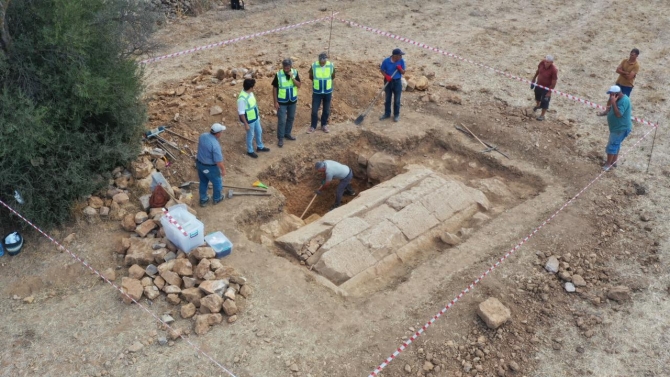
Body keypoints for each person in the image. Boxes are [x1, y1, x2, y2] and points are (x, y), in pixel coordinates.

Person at [597, 85, 632, 171]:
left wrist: (613, 102)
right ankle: (613, 162)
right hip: (617, 128)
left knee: (612, 145)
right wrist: (606, 111)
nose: (610, 96)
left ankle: (608, 165)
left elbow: (619, 114)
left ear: (616, 94)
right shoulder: (618, 100)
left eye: (611, 94)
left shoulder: (624, 101)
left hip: (620, 128)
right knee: (616, 144)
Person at [272, 59, 301, 147]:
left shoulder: (295, 73)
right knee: (281, 120)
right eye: (285, 67)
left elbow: (299, 85)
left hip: (292, 100)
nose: (286, 69)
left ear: (291, 66)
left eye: (288, 67)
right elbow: (274, 88)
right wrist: (275, 101)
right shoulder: (278, 74)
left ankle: (287, 133)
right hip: (282, 101)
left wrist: (292, 77)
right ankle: (280, 137)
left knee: (291, 118)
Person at [196, 123, 227, 206]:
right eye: (221, 132)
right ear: (217, 133)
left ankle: (203, 199)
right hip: (210, 167)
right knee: (217, 182)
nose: (221, 134)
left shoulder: (203, 136)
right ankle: (217, 198)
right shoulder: (215, 145)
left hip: (199, 164)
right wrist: (223, 170)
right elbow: (218, 161)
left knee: (203, 181)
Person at [238, 78, 270, 158]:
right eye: (253, 86)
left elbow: (253, 105)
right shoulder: (242, 99)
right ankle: (250, 150)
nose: (254, 88)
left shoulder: (250, 93)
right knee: (250, 135)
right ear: (250, 87)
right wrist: (246, 124)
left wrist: (257, 116)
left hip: (255, 118)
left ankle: (260, 146)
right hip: (249, 120)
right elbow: (241, 113)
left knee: (259, 131)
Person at [307, 52, 335, 134]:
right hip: (317, 92)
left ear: (326, 60)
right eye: (321, 61)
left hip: (327, 92)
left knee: (326, 110)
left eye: (324, 61)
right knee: (314, 110)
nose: (322, 63)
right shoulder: (314, 66)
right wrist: (317, 83)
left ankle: (324, 125)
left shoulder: (331, 66)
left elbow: (333, 76)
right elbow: (310, 76)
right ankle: (313, 126)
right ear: (318, 60)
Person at [379, 48, 406, 122]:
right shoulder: (386, 61)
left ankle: (396, 115)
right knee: (388, 99)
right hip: (388, 81)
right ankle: (387, 113)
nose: (401, 57)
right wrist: (386, 76)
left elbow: (403, 72)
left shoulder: (401, 61)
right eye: (400, 55)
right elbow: (382, 70)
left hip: (397, 82)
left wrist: (400, 69)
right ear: (395, 56)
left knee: (397, 100)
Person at [530, 55, 558, 121]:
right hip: (539, 84)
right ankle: (538, 105)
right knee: (537, 95)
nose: (545, 63)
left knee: (545, 101)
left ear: (551, 62)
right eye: (545, 61)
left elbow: (554, 81)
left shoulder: (554, 70)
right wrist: (534, 79)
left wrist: (549, 92)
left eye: (547, 62)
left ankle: (542, 115)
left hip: (547, 87)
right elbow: (538, 70)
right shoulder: (542, 63)